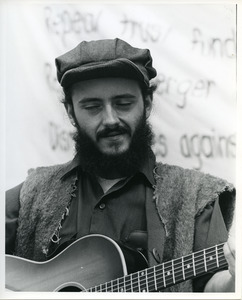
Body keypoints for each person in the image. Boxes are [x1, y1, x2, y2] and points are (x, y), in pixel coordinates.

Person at [5, 38, 235, 292]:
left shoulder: (196, 196)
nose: (111, 119)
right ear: (71, 113)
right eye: (92, 107)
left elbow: (214, 287)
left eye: (123, 104)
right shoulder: (32, 194)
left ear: (147, 104)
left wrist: (235, 279)